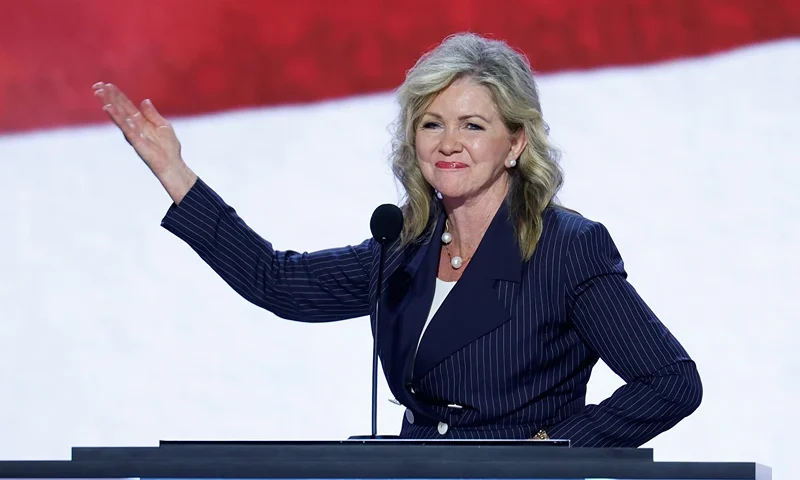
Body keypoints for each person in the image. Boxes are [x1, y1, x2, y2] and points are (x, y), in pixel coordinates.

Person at [92, 32, 702, 446]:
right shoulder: (404, 245)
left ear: (516, 142)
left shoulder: (566, 247)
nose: (448, 142)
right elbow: (277, 283)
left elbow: (671, 382)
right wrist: (175, 171)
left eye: (473, 125)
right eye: (431, 124)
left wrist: (551, 449)